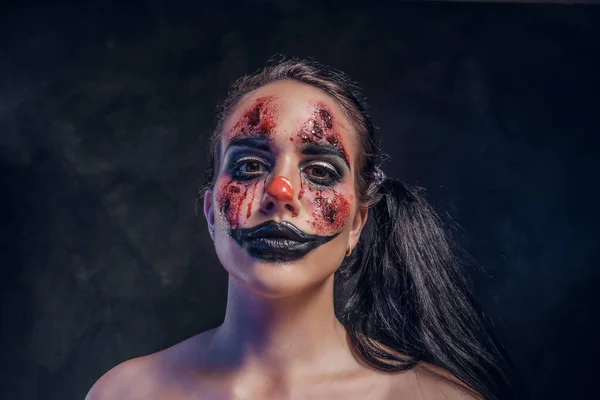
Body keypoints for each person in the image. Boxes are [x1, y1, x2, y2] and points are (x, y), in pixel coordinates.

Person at [86, 57, 519, 399]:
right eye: (250, 165)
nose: (280, 190)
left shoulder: (434, 398)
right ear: (211, 211)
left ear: (357, 224)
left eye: (321, 171)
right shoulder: (125, 393)